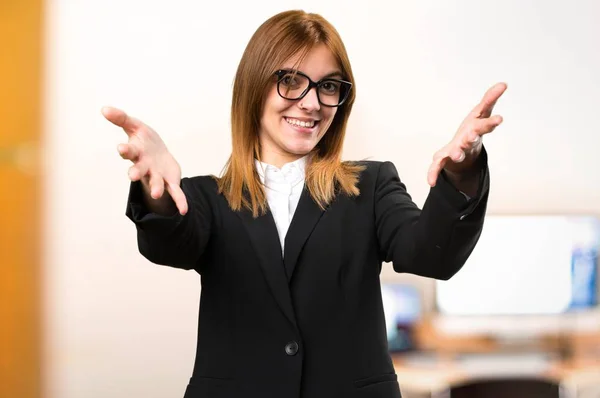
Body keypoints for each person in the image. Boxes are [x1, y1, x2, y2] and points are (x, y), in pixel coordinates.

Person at [102, 9, 506, 398]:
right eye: (292, 81)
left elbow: (432, 255)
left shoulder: (370, 186)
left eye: (328, 86)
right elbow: (169, 243)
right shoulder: (209, 199)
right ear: (253, 86)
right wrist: (158, 194)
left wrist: (462, 171)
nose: (312, 103)